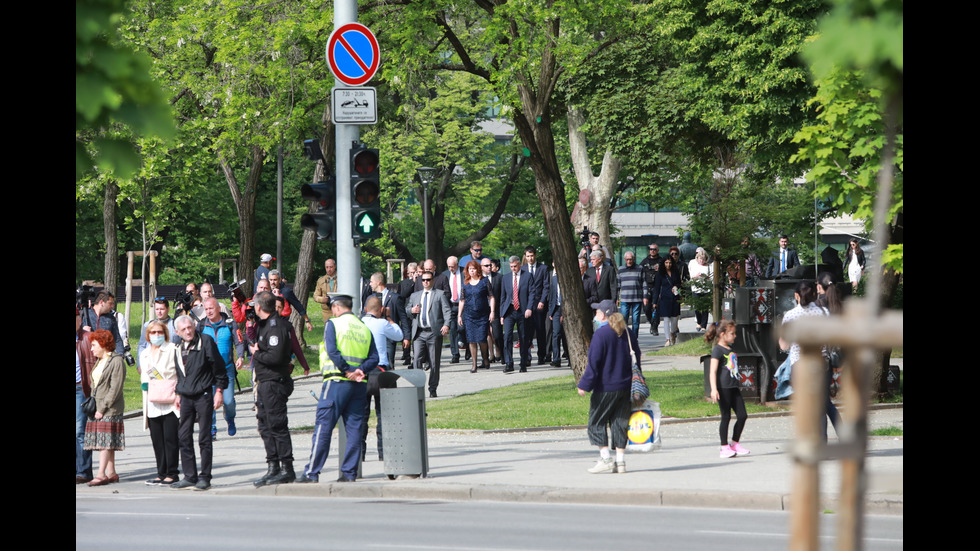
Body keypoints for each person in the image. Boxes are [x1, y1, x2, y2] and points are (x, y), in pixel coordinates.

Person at [297, 295, 379, 483]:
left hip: (336, 383)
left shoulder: (333, 324)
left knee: (324, 428)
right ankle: (349, 474)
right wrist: (360, 370)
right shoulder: (364, 328)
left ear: (336, 308)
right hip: (359, 385)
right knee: (355, 430)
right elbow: (375, 357)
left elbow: (332, 351)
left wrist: (348, 370)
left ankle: (312, 473)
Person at [576, 308, 640, 474]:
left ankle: (605, 459)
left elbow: (594, 363)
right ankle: (621, 463)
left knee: (596, 422)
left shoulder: (601, 334)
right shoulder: (628, 333)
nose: (595, 316)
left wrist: (584, 385)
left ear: (602, 315)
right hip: (626, 387)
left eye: (596, 312)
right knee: (620, 423)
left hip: (605, 388)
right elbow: (637, 358)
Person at [171, 315, 228, 491]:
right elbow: (181, 373)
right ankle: (190, 476)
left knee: (204, 437)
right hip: (186, 396)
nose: (188, 331)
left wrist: (219, 391)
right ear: (177, 332)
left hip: (203, 395)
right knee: (183, 436)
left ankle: (205, 477)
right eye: (184, 329)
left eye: (190, 327)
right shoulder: (178, 347)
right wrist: (179, 393)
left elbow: (219, 368)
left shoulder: (206, 341)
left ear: (194, 325)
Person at [250, 291, 299, 487]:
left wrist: (256, 353)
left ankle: (287, 468)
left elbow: (275, 357)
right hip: (264, 383)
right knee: (264, 425)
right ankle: (273, 466)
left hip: (274, 382)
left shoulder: (276, 327)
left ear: (259, 307)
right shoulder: (263, 325)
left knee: (277, 425)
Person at [359, 295, 403, 461]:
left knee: (362, 415)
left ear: (365, 309)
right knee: (383, 414)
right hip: (381, 371)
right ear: (381, 309)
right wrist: (389, 318)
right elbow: (399, 335)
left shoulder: (359, 323)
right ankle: (383, 453)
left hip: (362, 372)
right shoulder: (382, 323)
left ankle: (360, 454)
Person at [139, 320, 180, 486]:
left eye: (159, 332)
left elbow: (180, 373)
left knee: (171, 438)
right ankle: (161, 472)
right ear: (148, 335)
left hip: (170, 399)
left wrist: (179, 395)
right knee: (157, 440)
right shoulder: (145, 354)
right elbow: (144, 378)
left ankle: (172, 473)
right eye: (153, 332)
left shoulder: (172, 349)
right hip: (153, 401)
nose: (156, 335)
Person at [84, 329, 127, 486]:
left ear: (103, 344)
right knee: (107, 443)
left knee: (104, 443)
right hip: (99, 406)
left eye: (94, 345)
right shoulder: (100, 360)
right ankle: (111, 472)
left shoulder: (116, 361)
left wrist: (102, 408)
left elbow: (115, 388)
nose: (91, 348)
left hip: (110, 407)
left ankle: (101, 474)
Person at [198, 298, 246, 439]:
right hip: (208, 370)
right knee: (209, 401)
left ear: (218, 308)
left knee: (228, 401)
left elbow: (239, 342)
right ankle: (211, 428)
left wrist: (241, 357)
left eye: (211, 308)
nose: (209, 312)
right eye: (206, 309)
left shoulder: (230, 324)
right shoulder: (201, 326)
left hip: (227, 369)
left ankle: (230, 418)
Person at [706, 320, 750, 458]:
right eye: (732, 333)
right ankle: (724, 447)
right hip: (723, 388)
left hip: (733, 386)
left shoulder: (730, 349)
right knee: (726, 416)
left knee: (742, 415)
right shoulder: (717, 350)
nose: (735, 336)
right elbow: (712, 371)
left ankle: (735, 443)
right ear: (723, 334)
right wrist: (714, 389)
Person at [407, 273, 452, 396]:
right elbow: (407, 310)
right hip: (419, 332)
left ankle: (433, 388)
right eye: (423, 280)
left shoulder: (439, 294)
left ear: (433, 280)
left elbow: (447, 311)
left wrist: (446, 325)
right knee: (416, 359)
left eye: (428, 280)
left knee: (434, 362)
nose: (426, 282)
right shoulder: (415, 295)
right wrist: (411, 310)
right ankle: (418, 387)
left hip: (433, 332)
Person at [815, 273, 843, 440]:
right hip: (833, 358)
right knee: (824, 402)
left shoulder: (818, 305)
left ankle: (823, 442)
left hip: (820, 358)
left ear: (819, 286)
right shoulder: (839, 305)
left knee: (822, 403)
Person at [499, 255, 536, 373]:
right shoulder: (506, 278)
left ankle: (523, 363)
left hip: (523, 310)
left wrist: (529, 308)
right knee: (507, 337)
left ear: (519, 264)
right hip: (509, 311)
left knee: (523, 337)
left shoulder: (527, 276)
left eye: (515, 266)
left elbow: (532, 293)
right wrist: (501, 315)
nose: (513, 268)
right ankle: (509, 363)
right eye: (511, 267)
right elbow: (503, 297)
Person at [458, 260, 494, 373]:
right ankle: (474, 364)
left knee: (482, 339)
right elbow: (462, 300)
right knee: (471, 340)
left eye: (473, 269)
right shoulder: (465, 283)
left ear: (478, 269)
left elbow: (491, 297)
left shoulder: (484, 281)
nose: (471, 271)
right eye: (469, 269)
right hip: (469, 315)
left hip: (482, 314)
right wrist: (459, 315)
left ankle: (485, 358)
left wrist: (492, 311)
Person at [76, 308, 97, 484]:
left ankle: (83, 471)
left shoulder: (88, 338)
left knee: (80, 430)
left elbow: (98, 362)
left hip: (81, 390)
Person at [523, 246, 550, 365]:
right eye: (528, 256)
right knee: (527, 332)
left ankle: (541, 356)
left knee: (540, 331)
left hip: (539, 304)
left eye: (532, 256)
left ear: (535, 255)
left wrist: (542, 301)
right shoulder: (522, 269)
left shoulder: (543, 268)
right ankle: (527, 357)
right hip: (526, 305)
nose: (530, 258)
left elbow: (546, 286)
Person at [652, 255, 683, 346]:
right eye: (666, 263)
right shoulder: (660, 274)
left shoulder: (675, 272)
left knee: (674, 319)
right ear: (663, 263)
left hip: (675, 297)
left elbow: (679, 283)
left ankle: (673, 333)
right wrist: (654, 302)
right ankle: (667, 339)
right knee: (666, 319)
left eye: (670, 263)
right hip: (665, 299)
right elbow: (657, 288)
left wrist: (676, 287)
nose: (668, 264)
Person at [617, 251, 645, 336]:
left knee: (635, 321)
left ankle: (634, 339)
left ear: (634, 259)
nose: (629, 261)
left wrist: (645, 297)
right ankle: (625, 337)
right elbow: (618, 285)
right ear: (625, 259)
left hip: (637, 299)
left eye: (631, 259)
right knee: (623, 319)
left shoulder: (640, 268)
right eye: (627, 259)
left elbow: (644, 283)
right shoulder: (621, 269)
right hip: (625, 299)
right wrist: (617, 298)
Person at [443, 256, 465, 364]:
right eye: (449, 266)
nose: (451, 268)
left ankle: (468, 347)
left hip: (463, 305)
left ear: (457, 265)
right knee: (453, 330)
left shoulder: (465, 272)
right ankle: (455, 354)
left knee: (463, 328)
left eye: (453, 266)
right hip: (450, 305)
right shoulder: (445, 275)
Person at [482, 258, 504, 364]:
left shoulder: (499, 277)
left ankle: (501, 352)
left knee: (497, 334)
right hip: (483, 310)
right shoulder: (479, 278)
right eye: (486, 266)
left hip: (497, 310)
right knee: (486, 334)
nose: (489, 267)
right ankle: (489, 356)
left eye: (490, 265)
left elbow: (503, 295)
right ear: (481, 267)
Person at [640, 244, 664, 335]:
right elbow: (640, 273)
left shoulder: (661, 261)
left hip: (658, 287)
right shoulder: (645, 261)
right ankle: (652, 322)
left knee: (656, 307)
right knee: (646, 308)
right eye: (650, 249)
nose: (652, 251)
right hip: (647, 287)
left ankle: (654, 327)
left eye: (654, 249)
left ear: (658, 250)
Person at [689, 247, 714, 332]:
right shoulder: (693, 264)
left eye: (703, 259)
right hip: (696, 289)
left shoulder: (709, 266)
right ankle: (699, 322)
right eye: (700, 258)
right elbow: (691, 276)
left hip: (706, 289)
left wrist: (706, 277)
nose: (702, 260)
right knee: (697, 307)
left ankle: (703, 325)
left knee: (705, 308)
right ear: (697, 258)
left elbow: (712, 278)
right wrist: (697, 276)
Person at [548, 263, 565, 367]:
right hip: (555, 309)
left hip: (565, 309)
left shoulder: (567, 279)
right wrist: (551, 311)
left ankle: (568, 356)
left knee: (565, 335)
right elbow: (552, 295)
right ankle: (556, 358)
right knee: (556, 334)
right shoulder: (554, 279)